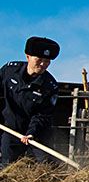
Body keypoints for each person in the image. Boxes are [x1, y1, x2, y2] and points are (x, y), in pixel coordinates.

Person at [0, 36, 60, 168]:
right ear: (28, 57)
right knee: (7, 165)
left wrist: (31, 132)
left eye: (47, 61)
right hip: (10, 128)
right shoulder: (9, 71)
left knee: (45, 166)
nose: (43, 64)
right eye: (39, 59)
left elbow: (43, 114)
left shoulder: (50, 86)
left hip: (37, 133)